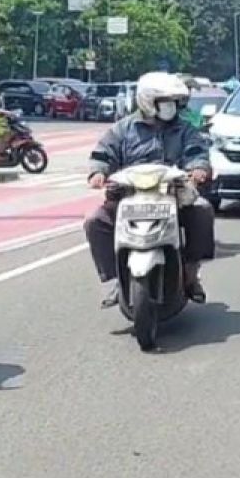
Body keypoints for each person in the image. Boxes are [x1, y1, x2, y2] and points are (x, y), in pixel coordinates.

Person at [83, 72, 215, 308]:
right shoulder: (122, 129)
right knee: (95, 221)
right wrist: (98, 172)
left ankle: (191, 273)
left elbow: (198, 153)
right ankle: (117, 279)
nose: (170, 107)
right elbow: (103, 153)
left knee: (202, 211)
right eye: (165, 101)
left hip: (173, 194)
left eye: (174, 102)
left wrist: (198, 170)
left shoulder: (185, 129)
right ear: (146, 101)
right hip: (129, 195)